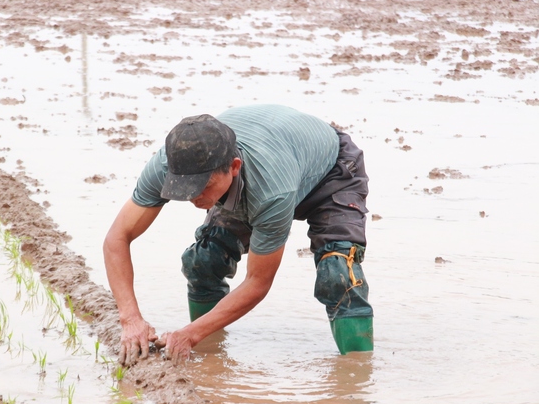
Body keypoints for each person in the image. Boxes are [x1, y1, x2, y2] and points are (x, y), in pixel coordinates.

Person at [103, 104, 374, 366]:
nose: (193, 197)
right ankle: (209, 361)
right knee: (205, 261)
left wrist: (189, 333)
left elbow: (258, 282)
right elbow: (117, 238)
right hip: (270, 164)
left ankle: (356, 381)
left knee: (338, 274)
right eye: (183, 187)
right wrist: (131, 319)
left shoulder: (270, 190)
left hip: (330, 170)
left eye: (202, 186)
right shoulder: (167, 165)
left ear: (233, 166)